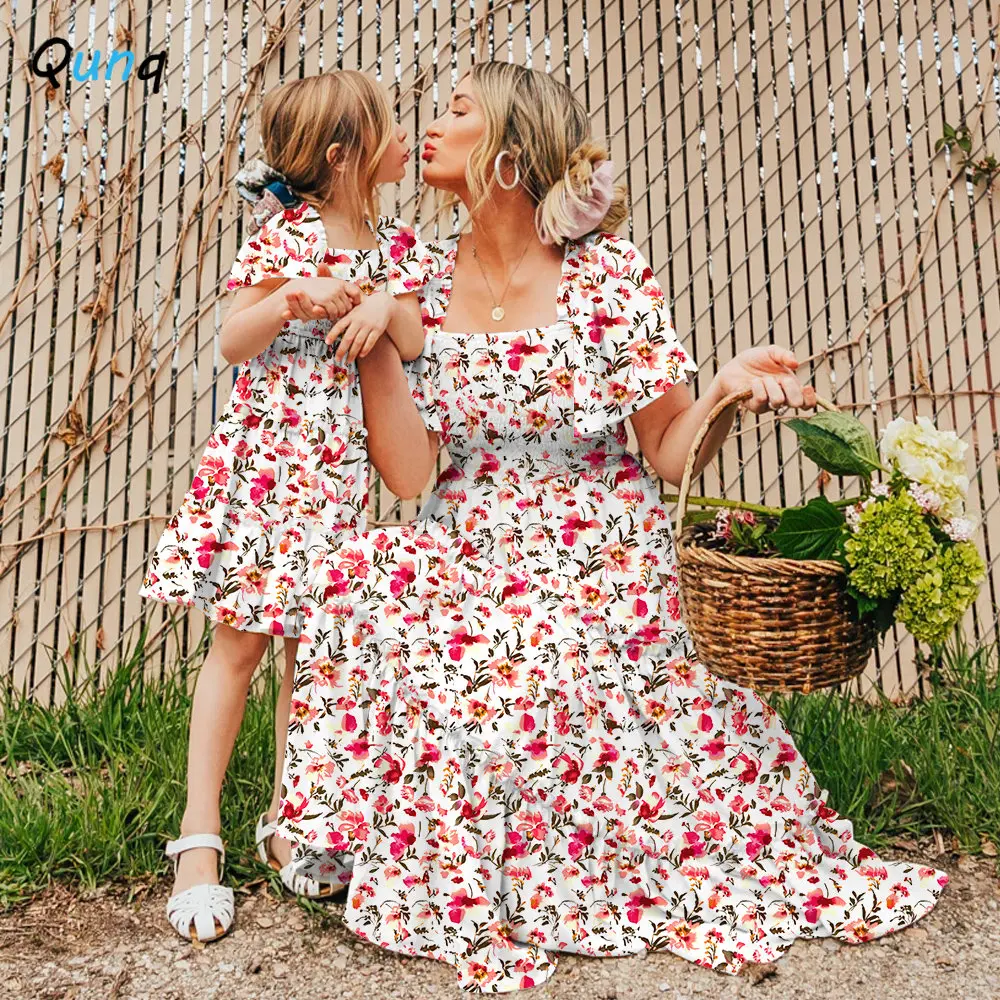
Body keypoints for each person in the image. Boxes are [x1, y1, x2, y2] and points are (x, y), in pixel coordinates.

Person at [274, 62, 949, 990]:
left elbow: (668, 447)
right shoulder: (413, 279)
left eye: (456, 112)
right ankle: (395, 845)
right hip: (466, 533)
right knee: (361, 574)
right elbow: (409, 471)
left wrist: (719, 391)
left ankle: (600, 859)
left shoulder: (607, 277)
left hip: (601, 540)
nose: (428, 127)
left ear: (509, 154)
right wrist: (383, 343)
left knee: (547, 659)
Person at [138, 70, 439, 943]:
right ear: (346, 158)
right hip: (269, 472)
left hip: (339, 478)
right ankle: (199, 839)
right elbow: (233, 338)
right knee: (238, 647)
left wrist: (384, 302)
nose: (401, 144)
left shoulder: (399, 246)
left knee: (314, 660)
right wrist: (290, 298)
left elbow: (417, 335)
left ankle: (290, 822)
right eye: (388, 132)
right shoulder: (285, 235)